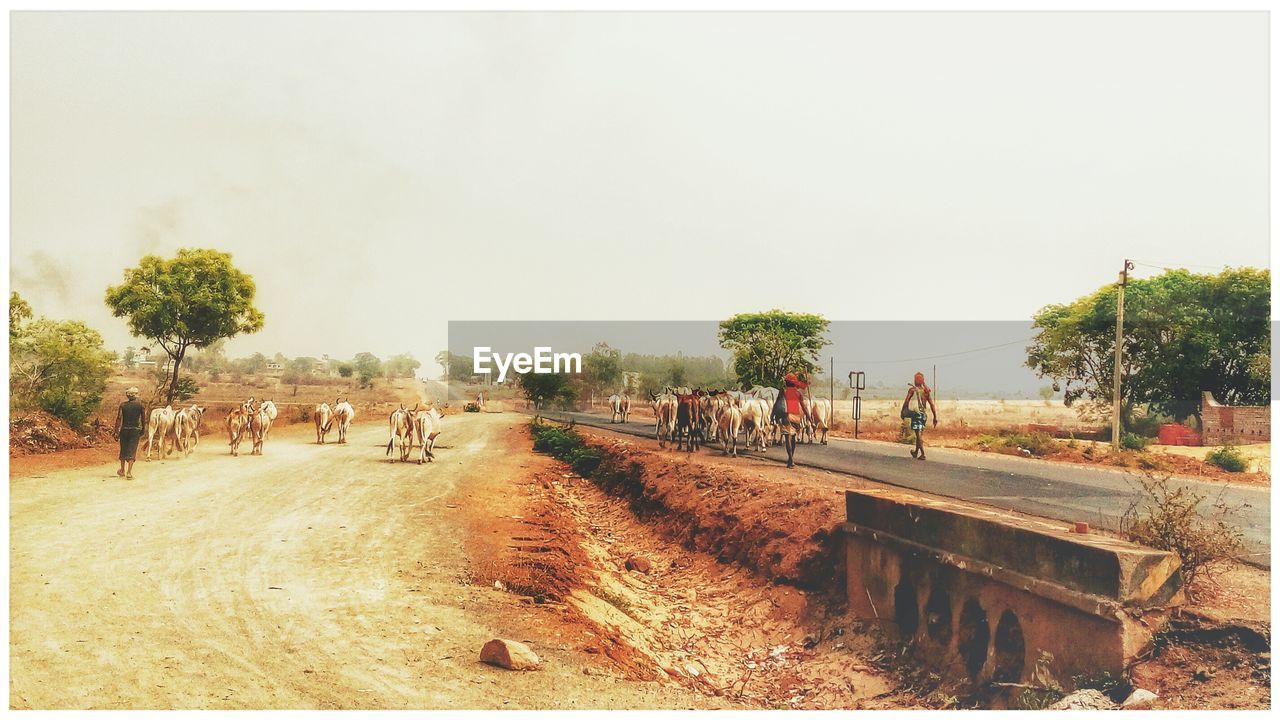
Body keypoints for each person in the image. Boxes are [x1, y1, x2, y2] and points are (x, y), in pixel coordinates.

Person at [901, 372, 938, 460]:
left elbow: (906, 401)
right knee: (919, 433)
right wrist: (935, 417)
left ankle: (923, 454)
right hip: (923, 415)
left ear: (915, 380)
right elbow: (932, 404)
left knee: (918, 434)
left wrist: (903, 411)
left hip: (916, 414)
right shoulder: (926, 392)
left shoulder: (912, 390)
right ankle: (916, 452)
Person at [780, 372, 810, 468]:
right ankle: (790, 459)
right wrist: (811, 420)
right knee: (793, 438)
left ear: (786, 383)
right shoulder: (798, 394)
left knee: (787, 438)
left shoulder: (783, 392)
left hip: (787, 416)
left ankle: (791, 460)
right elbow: (804, 408)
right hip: (796, 417)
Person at [114, 387, 146, 479]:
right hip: (135, 430)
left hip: (124, 430)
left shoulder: (123, 405)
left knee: (123, 450)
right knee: (132, 450)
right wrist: (143, 429)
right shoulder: (140, 405)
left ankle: (122, 470)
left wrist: (116, 431)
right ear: (136, 395)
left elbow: (119, 418)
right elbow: (143, 419)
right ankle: (129, 472)